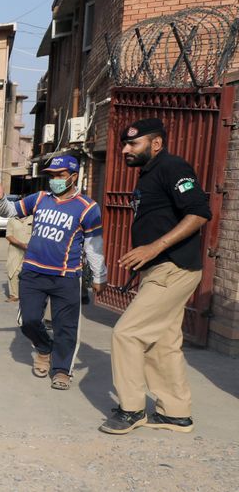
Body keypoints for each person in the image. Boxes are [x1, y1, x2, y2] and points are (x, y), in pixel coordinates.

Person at [99, 118, 211, 435]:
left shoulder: (173, 167)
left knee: (127, 333)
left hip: (172, 266)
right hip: (160, 269)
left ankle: (131, 409)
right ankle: (175, 413)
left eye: (133, 144)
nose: (125, 150)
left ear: (156, 143)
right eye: (124, 144)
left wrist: (153, 248)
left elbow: (199, 213)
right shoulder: (150, 174)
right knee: (163, 342)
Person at [0, 155, 107, 390]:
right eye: (52, 175)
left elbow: (94, 246)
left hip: (66, 277)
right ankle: (44, 348)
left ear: (73, 176)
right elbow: (10, 211)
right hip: (32, 272)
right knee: (28, 320)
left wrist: (99, 276)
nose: (55, 180)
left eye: (60, 175)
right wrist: (0, 200)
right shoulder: (40, 198)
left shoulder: (88, 208)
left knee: (66, 327)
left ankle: (62, 370)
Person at [5, 215, 33, 302]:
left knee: (29, 272)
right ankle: (14, 295)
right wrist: (21, 245)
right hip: (15, 249)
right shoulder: (12, 220)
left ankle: (30, 294)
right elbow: (8, 236)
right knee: (12, 271)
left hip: (31, 249)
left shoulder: (33, 218)